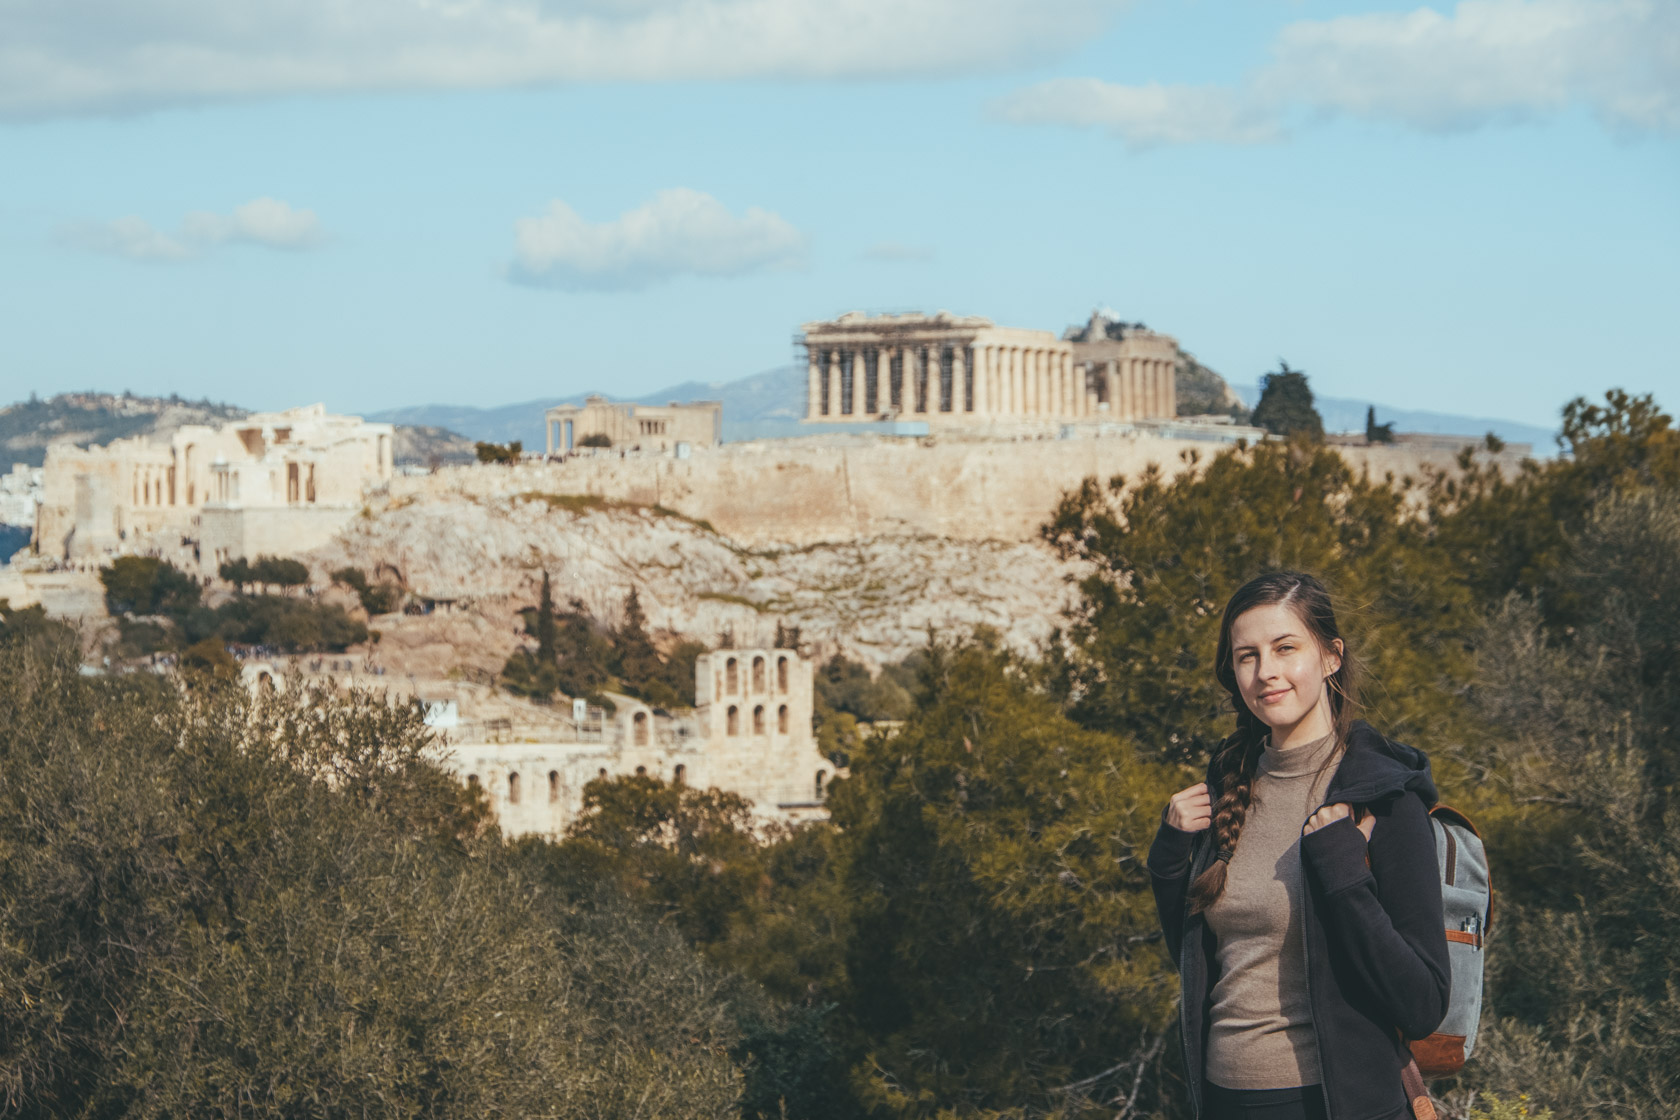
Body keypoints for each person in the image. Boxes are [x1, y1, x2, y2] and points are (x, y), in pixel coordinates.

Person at [1147, 571, 1450, 1120]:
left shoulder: (1383, 800)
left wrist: (1344, 872)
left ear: (1331, 656)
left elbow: (1423, 1002)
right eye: (1247, 656)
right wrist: (1169, 861)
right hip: (1224, 1101)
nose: (1266, 673)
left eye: (1285, 648)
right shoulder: (1226, 790)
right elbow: (1203, 966)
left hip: (1338, 1105)